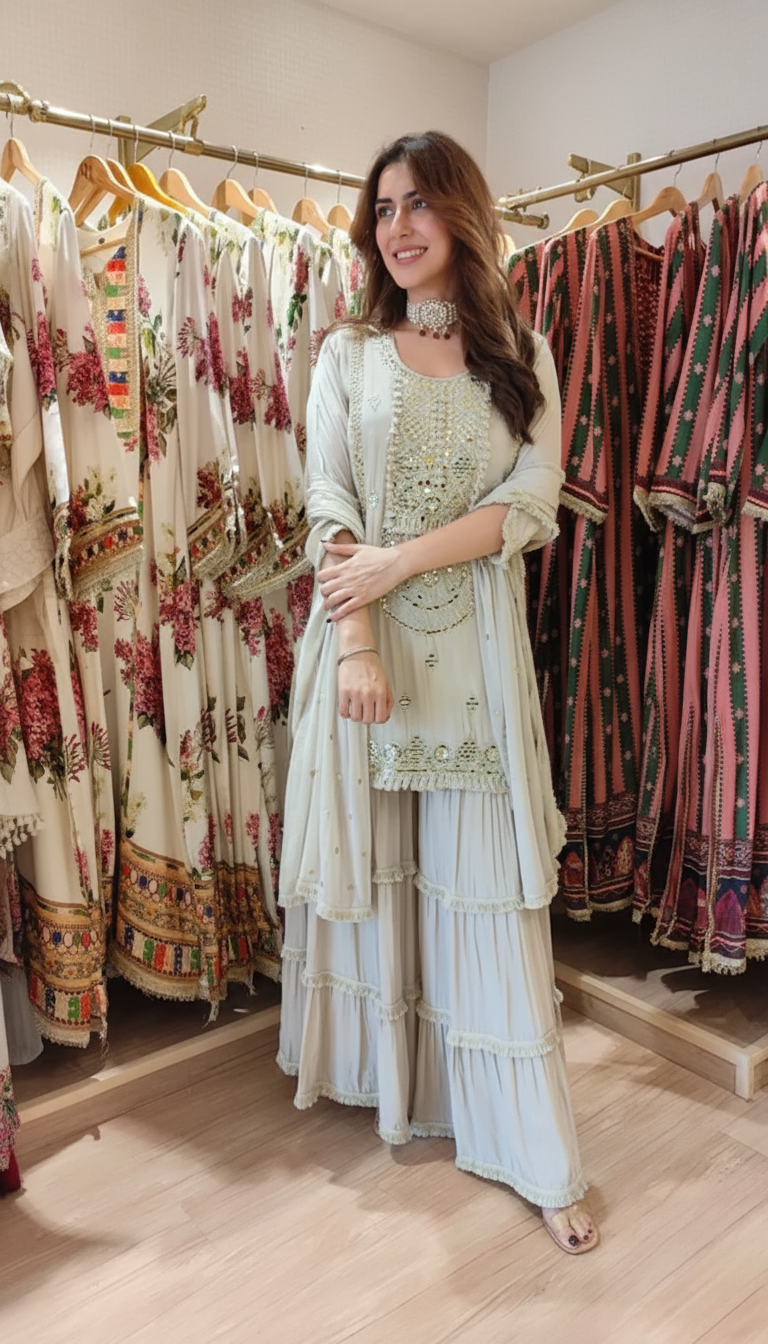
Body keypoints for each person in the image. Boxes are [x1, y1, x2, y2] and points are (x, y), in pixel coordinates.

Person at [276, 130, 599, 1255]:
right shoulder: (348, 355)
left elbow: (530, 504)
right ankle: (407, 1095)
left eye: (417, 203)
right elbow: (329, 504)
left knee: (487, 901)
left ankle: (536, 1155)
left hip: (477, 669)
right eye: (382, 209)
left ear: (462, 212)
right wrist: (356, 644)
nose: (398, 227)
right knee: (388, 884)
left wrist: (400, 562)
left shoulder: (524, 355)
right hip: (364, 657)